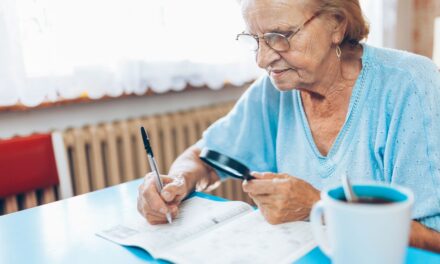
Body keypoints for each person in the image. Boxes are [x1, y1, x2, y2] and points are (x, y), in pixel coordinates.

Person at [137, 0, 440, 252]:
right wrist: (176, 182)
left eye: (279, 36)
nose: (262, 59)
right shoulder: (274, 90)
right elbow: (205, 158)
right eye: (255, 39)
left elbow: (434, 238)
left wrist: (317, 206)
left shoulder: (410, 84)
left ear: (336, 24)